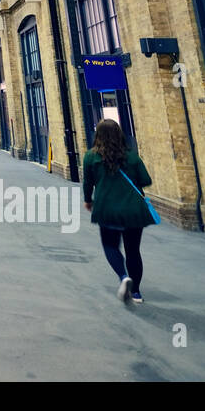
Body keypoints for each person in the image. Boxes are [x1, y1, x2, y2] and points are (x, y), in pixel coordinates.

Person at [82, 119, 154, 304]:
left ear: (97, 135)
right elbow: (145, 180)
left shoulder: (91, 157)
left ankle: (123, 277)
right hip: (133, 210)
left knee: (110, 246)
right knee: (133, 251)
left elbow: (88, 183)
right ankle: (136, 293)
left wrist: (88, 200)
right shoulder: (132, 157)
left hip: (107, 209)